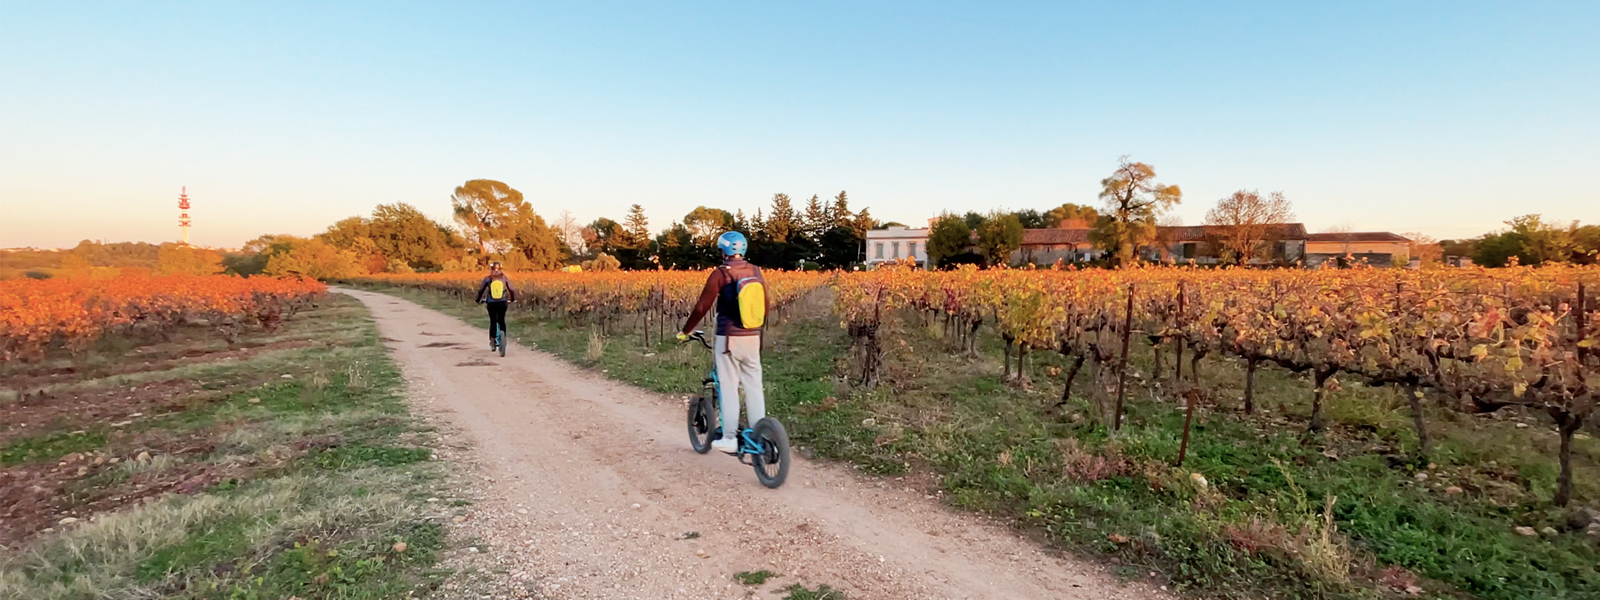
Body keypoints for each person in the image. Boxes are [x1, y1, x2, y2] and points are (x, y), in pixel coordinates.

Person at [679, 232, 769, 454]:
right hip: (753, 335)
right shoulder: (755, 271)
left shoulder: (721, 274)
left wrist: (686, 330)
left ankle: (729, 437)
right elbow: (765, 304)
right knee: (754, 386)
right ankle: (760, 434)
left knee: (728, 385)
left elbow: (702, 307)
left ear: (722, 251)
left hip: (729, 337)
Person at [474, 261, 516, 351]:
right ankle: (503, 339)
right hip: (502, 302)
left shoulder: (488, 279)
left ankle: (493, 340)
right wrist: (512, 299)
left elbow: (481, 290)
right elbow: (511, 290)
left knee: (493, 321)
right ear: (501, 268)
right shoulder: (504, 278)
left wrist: (478, 299)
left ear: (491, 269)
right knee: (501, 320)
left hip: (491, 303)